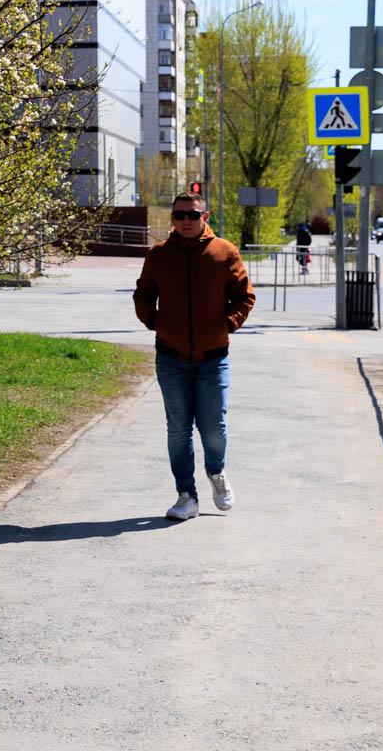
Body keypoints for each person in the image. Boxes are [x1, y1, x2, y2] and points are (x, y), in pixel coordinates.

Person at [133, 192, 256, 521]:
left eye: (192, 214)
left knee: (213, 428)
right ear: (172, 218)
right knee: (178, 429)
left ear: (206, 216)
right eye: (179, 215)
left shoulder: (224, 252)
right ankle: (186, 495)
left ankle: (216, 473)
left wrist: (227, 325)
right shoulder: (159, 255)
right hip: (171, 358)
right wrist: (156, 322)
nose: (185, 221)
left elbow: (244, 296)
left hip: (213, 358)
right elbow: (143, 294)